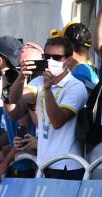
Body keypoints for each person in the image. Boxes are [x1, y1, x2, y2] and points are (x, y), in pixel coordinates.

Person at [11, 37, 88, 180]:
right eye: (47, 57)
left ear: (68, 61)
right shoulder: (39, 81)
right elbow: (14, 99)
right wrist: (21, 77)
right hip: (44, 164)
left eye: (57, 57)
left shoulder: (76, 87)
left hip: (67, 166)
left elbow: (57, 121)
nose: (51, 61)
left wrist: (47, 89)